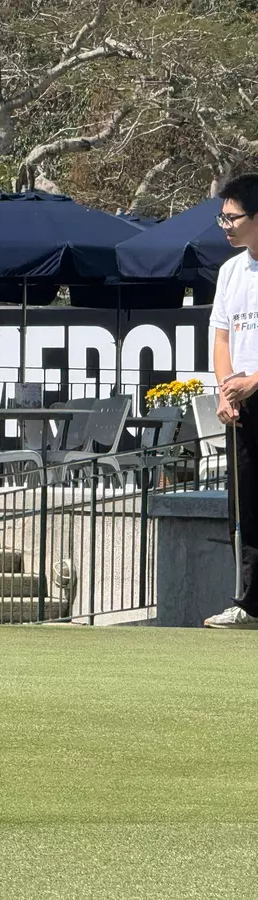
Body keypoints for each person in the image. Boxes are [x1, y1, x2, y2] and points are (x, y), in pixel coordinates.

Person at [204, 173, 258, 629]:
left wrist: (255, 380)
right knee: (244, 506)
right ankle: (249, 603)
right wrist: (226, 391)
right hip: (240, 405)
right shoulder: (230, 272)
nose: (225, 226)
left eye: (233, 217)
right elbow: (221, 338)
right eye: (222, 217)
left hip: (254, 387)